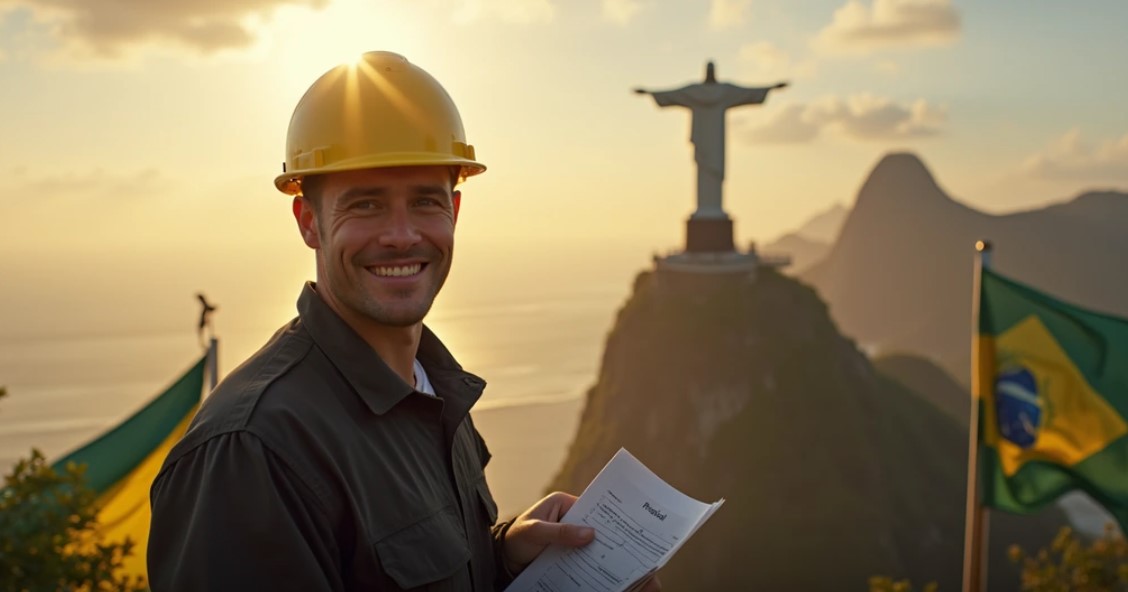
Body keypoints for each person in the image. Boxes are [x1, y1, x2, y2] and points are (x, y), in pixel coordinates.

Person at [148, 51, 656, 592]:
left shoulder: (432, 388)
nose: (401, 234)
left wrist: (503, 557)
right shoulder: (252, 452)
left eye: (424, 202)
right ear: (308, 222)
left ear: (454, 213)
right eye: (366, 205)